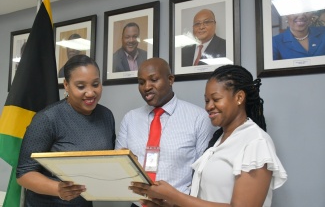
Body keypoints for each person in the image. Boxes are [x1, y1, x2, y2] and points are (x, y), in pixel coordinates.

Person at [129, 65, 288, 207]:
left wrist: (174, 195)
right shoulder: (219, 141)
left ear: (239, 97)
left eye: (216, 99)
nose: (209, 107)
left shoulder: (256, 142)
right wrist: (169, 203)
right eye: (206, 100)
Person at [16, 54, 116, 207]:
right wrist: (59, 189)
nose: (90, 93)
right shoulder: (48, 118)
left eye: (95, 84)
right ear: (66, 85)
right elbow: (24, 174)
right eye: (81, 86)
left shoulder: (106, 115)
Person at [115, 57, 216, 207]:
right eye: (141, 82)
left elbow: (203, 174)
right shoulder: (130, 118)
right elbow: (119, 165)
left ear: (170, 79)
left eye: (153, 80)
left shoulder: (198, 118)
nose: (146, 87)